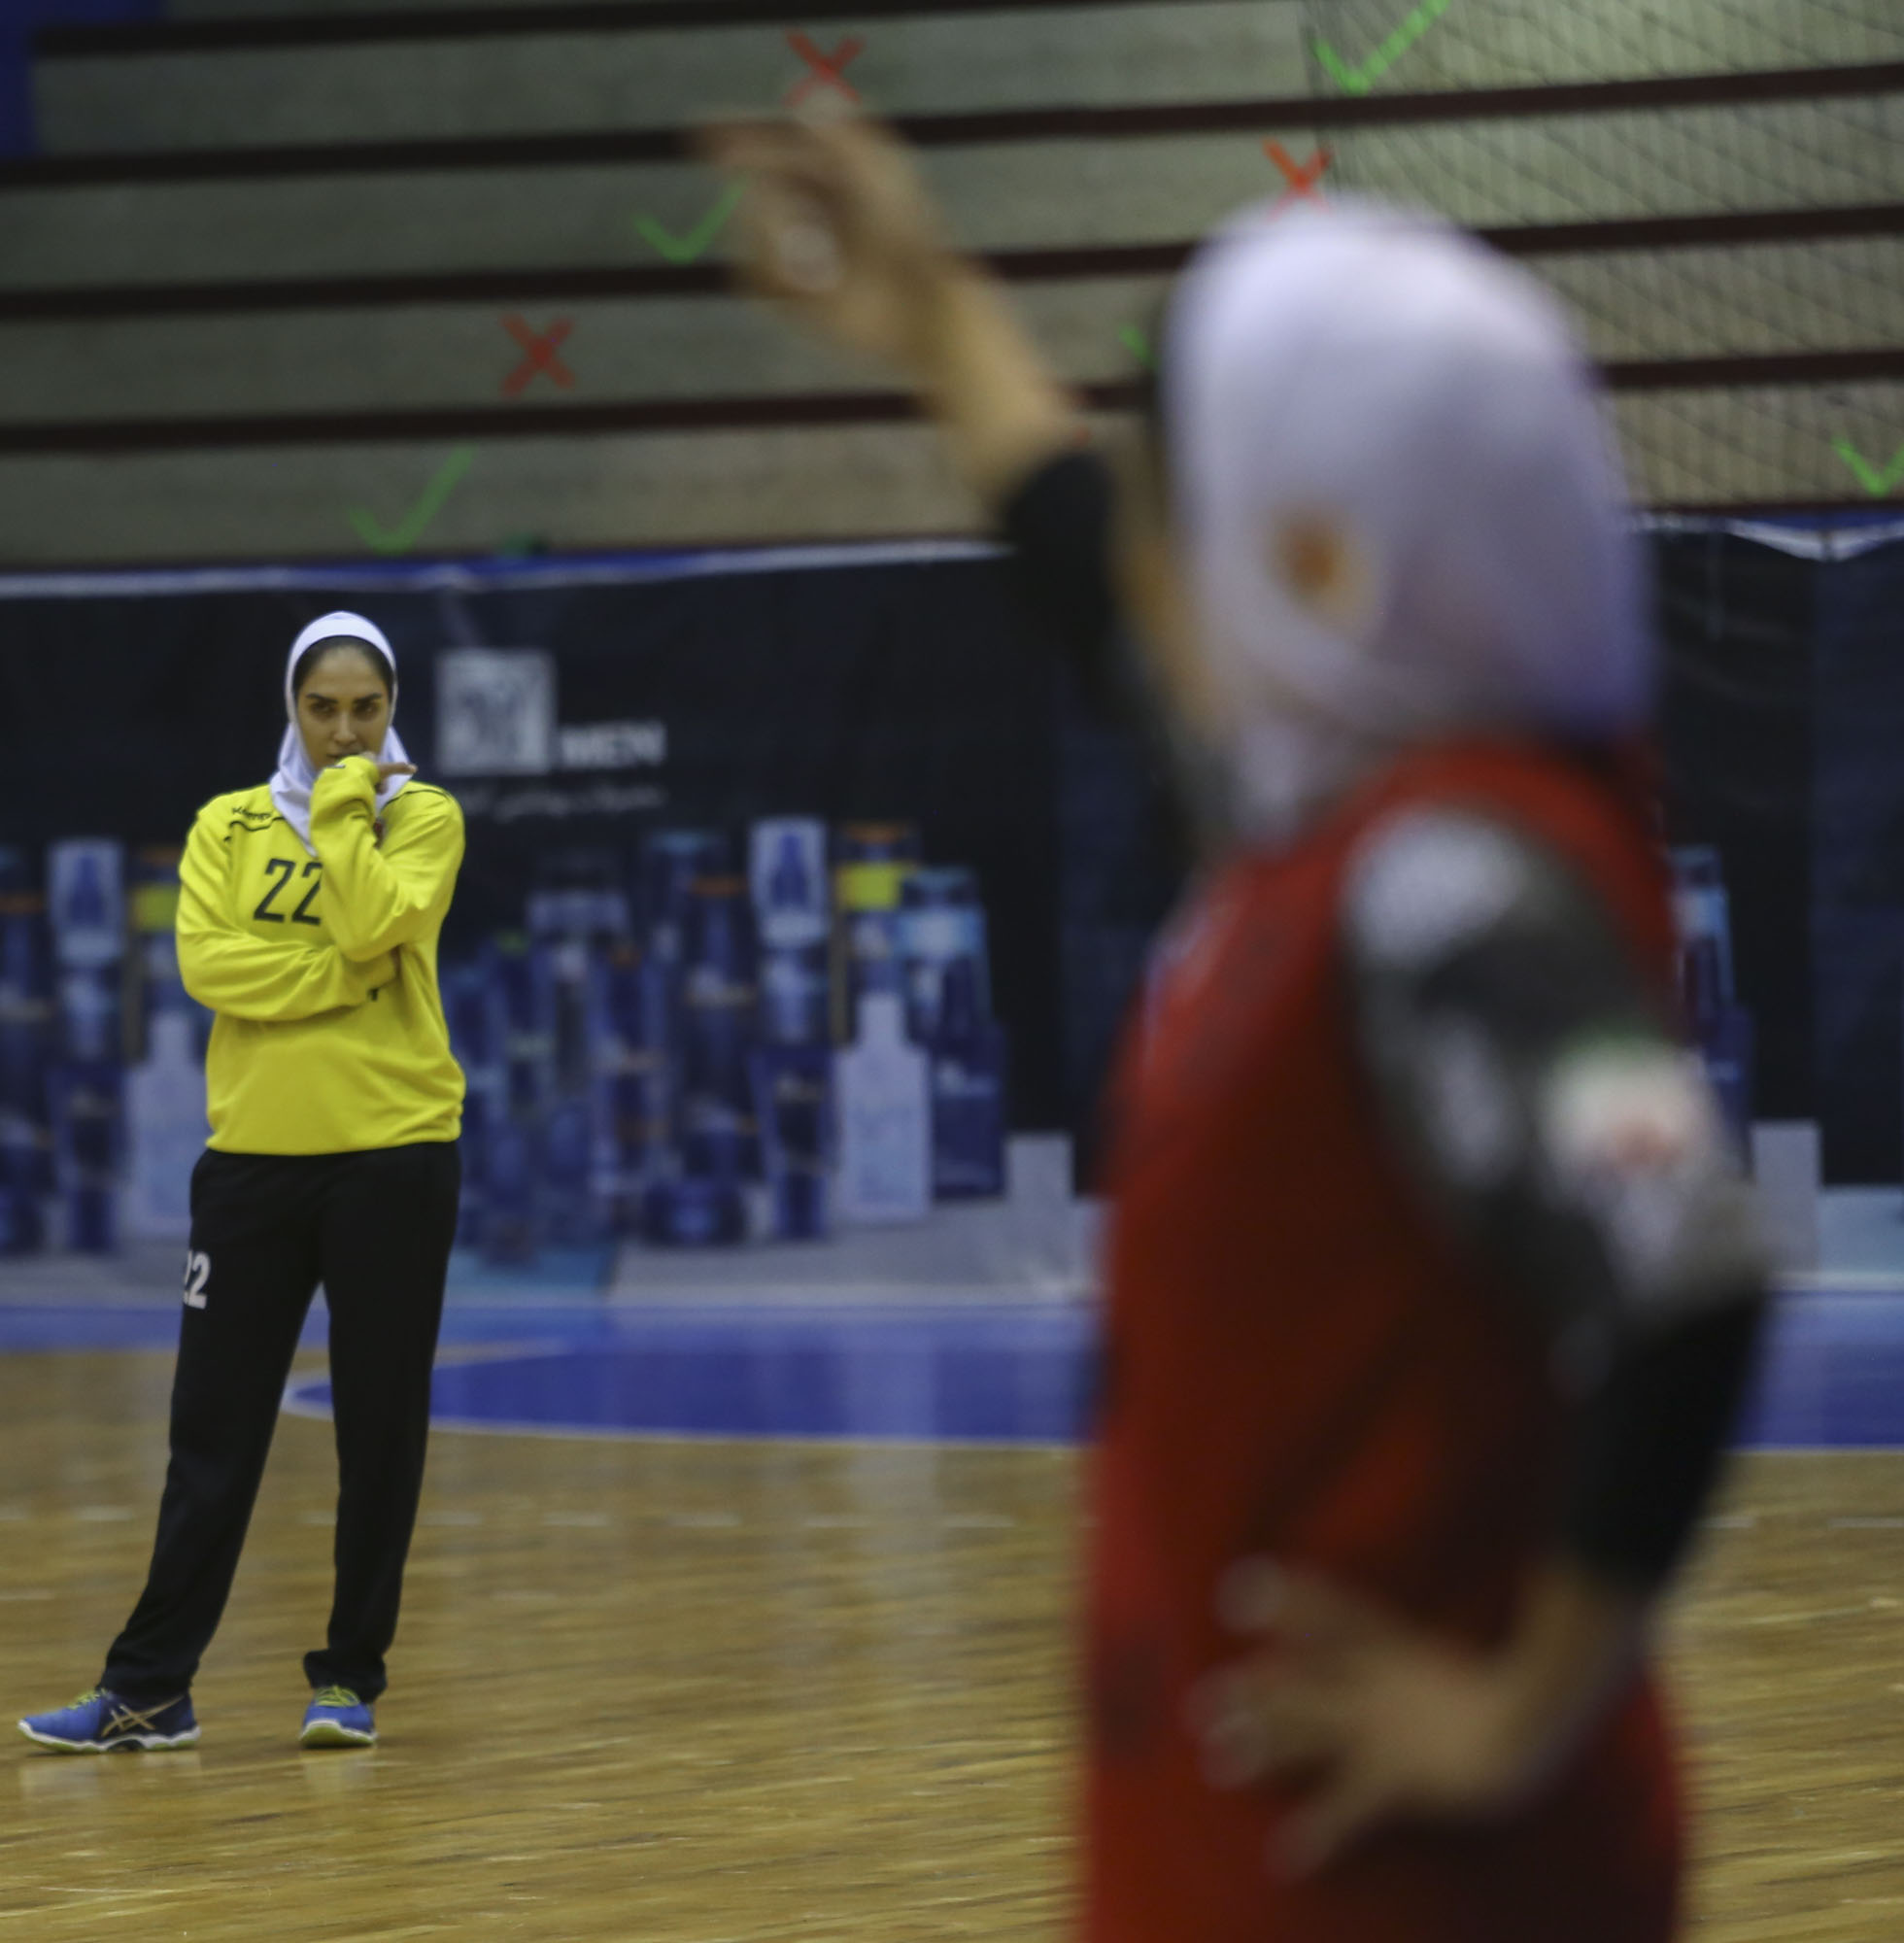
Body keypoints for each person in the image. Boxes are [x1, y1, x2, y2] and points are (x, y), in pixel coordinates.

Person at [706, 118, 1771, 1939]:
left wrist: (1518, 1717)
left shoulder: (1447, 878)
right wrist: (932, 310)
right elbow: (1086, 579)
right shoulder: (1332, 826)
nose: (1148, 550)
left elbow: (1687, 1262)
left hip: (1413, 1896)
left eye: (1181, 506)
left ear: (1321, 558)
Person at [19, 611, 467, 1756]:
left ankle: (348, 1677)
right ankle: (148, 1688)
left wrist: (348, 810)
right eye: (323, 709)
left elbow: (378, 915)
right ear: (290, 706)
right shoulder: (226, 823)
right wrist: (349, 976)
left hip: (394, 1155)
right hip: (252, 1167)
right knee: (210, 1432)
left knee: (379, 1429)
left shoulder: (425, 816)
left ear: (393, 706)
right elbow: (209, 965)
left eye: (366, 708)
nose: (344, 731)